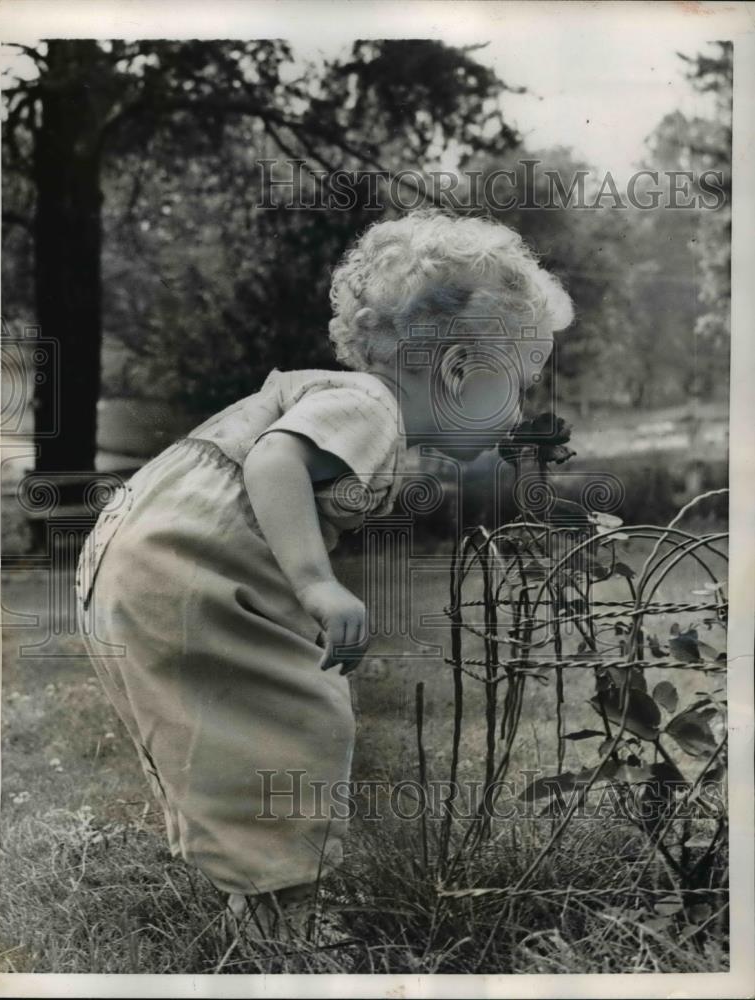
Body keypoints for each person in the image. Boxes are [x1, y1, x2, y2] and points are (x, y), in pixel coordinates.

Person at [75, 209, 573, 939]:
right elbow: (274, 460)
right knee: (298, 720)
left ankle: (260, 893)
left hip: (135, 563)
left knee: (231, 726)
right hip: (183, 570)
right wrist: (314, 582)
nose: (519, 410)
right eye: (518, 385)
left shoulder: (345, 402)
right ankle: (283, 918)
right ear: (460, 370)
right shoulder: (369, 407)